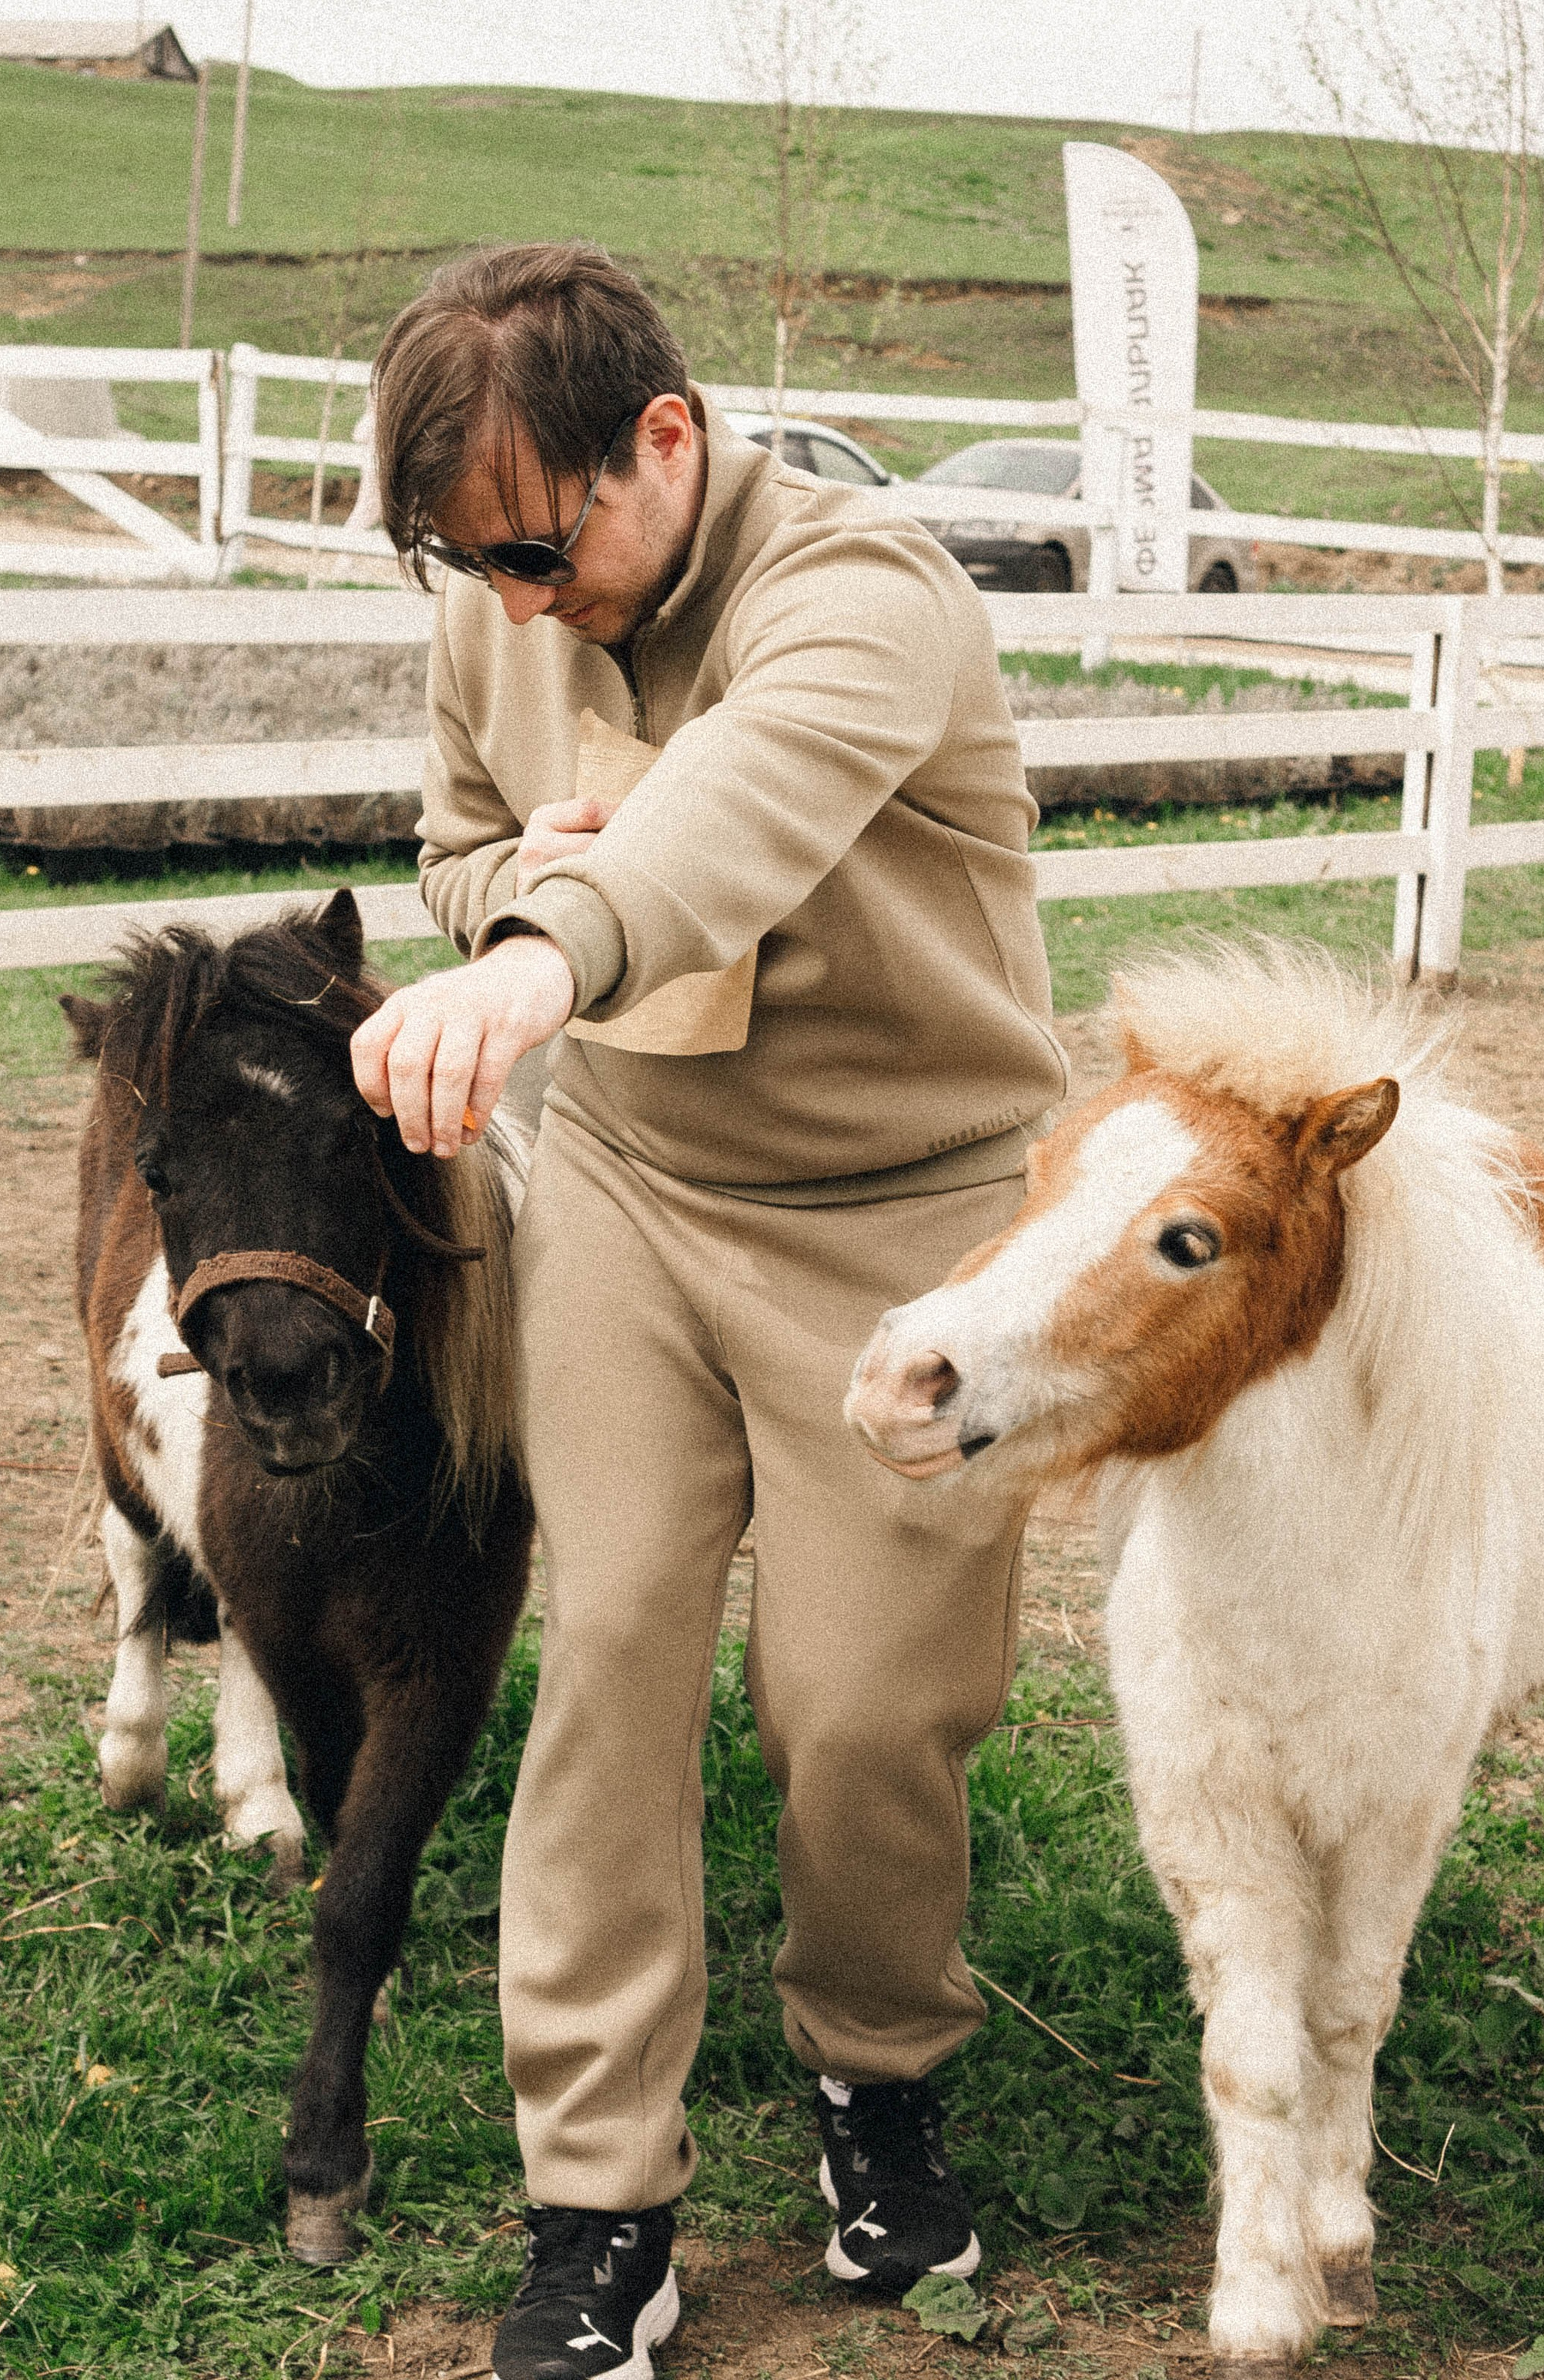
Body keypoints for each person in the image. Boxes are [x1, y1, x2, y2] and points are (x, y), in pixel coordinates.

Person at [350, 243, 1067, 2380]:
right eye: (457, 564)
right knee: (616, 1660)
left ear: (664, 440)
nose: (506, 605)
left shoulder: (869, 596)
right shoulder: (506, 611)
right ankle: (601, 2202)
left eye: (531, 550)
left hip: (907, 1225)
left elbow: (728, 825)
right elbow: (462, 842)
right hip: (639, 1196)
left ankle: (878, 2069)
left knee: (862, 1713)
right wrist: (508, 897)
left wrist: (544, 950)